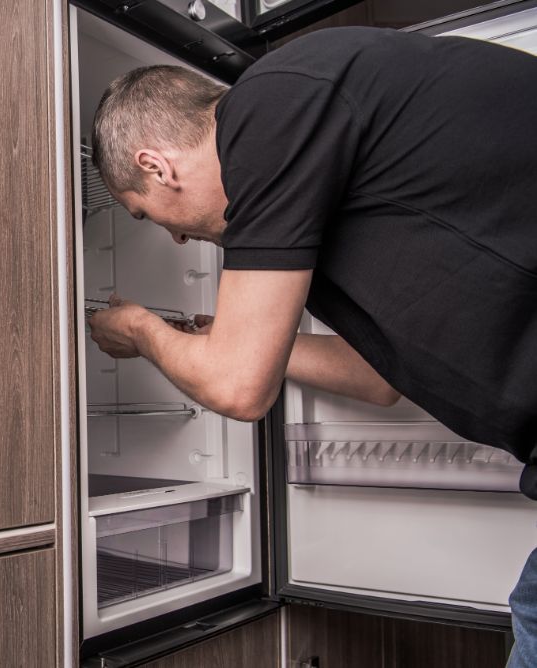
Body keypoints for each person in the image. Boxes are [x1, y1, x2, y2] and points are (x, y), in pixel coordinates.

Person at [84, 26, 537, 665]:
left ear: (155, 166)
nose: (176, 240)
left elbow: (238, 389)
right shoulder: (316, 195)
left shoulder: (272, 103)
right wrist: (221, 339)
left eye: (144, 213)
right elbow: (379, 378)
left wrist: (139, 331)